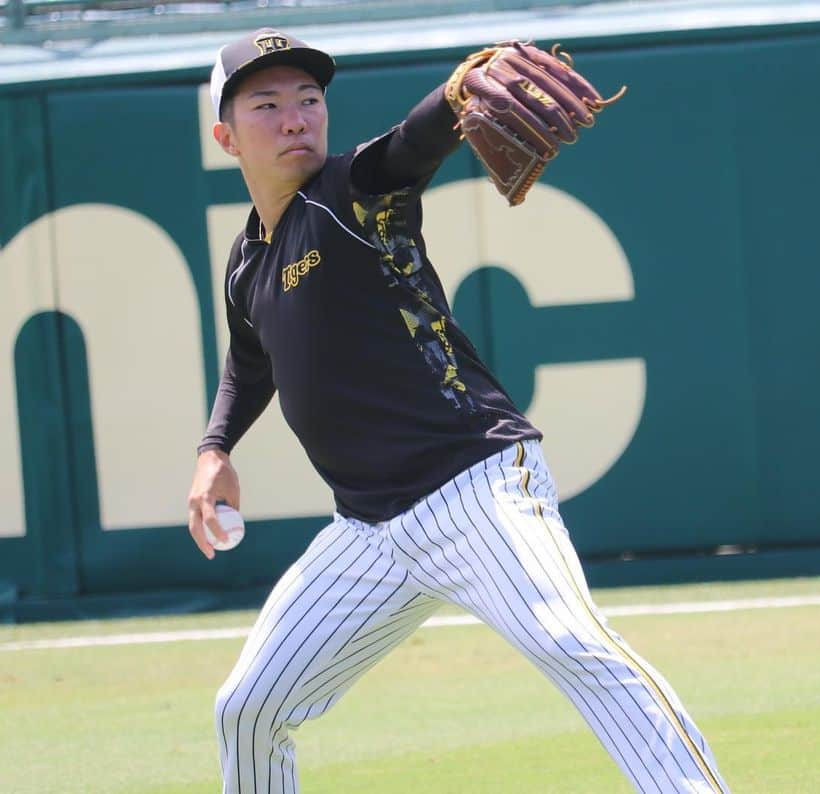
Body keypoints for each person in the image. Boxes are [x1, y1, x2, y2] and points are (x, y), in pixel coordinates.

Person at [186, 27, 729, 794]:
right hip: (366, 532)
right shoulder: (248, 262)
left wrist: (452, 99)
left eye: (309, 100)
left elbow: (407, 147)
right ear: (226, 136)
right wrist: (216, 449)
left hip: (473, 489)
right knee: (246, 707)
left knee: (575, 647)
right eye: (266, 104)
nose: (295, 119)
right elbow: (250, 358)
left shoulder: (348, 193)